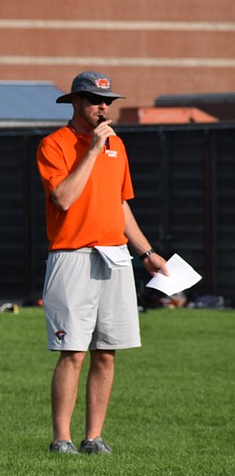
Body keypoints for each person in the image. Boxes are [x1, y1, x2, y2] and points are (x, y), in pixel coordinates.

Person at [36, 71, 168, 455]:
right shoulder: (54, 145)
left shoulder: (118, 146)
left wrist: (146, 253)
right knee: (73, 351)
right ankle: (61, 439)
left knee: (107, 352)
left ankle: (93, 437)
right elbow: (62, 198)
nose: (104, 107)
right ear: (76, 102)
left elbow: (120, 204)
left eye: (107, 101)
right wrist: (92, 150)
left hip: (116, 256)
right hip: (72, 255)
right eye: (95, 100)